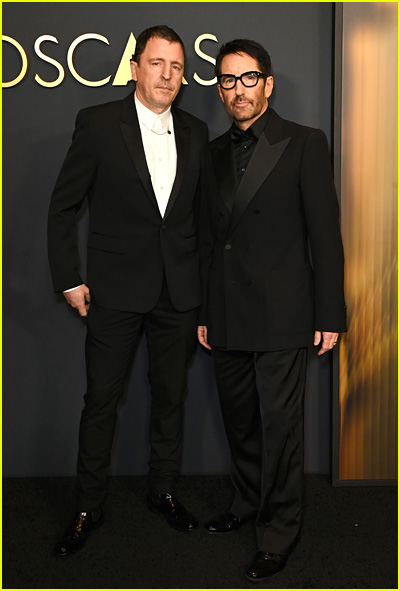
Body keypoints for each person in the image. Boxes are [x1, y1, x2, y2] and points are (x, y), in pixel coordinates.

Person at [48, 25, 208, 556]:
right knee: (101, 401)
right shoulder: (97, 124)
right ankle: (88, 506)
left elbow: (200, 220)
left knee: (171, 399)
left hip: (178, 294)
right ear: (136, 67)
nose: (168, 75)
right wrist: (69, 278)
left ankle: (163, 491)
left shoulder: (196, 130)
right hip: (113, 291)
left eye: (177, 67)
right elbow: (63, 206)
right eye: (158, 63)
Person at [198, 39, 346, 581]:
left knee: (280, 424)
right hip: (227, 312)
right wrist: (205, 311)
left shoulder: (304, 142)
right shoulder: (212, 151)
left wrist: (330, 315)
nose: (239, 89)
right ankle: (245, 503)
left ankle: (281, 528)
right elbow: (211, 241)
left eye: (249, 78)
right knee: (240, 422)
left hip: (285, 312)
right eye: (228, 80)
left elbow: (325, 238)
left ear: (269, 83)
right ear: (220, 89)